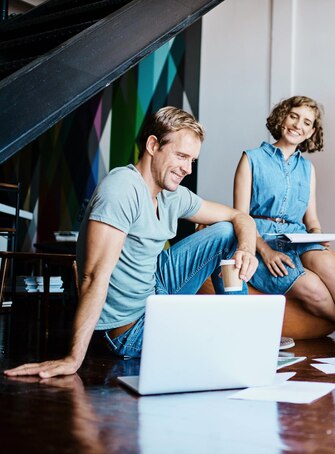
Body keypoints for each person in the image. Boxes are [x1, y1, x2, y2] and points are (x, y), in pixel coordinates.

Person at [4, 106, 259, 378]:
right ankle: (236, 337)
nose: (187, 168)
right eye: (182, 156)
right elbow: (93, 276)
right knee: (213, 338)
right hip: (130, 329)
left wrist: (246, 249)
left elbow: (239, 217)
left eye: (192, 160)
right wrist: (73, 359)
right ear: (153, 145)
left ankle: (239, 329)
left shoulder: (171, 194)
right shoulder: (122, 190)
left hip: (156, 290)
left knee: (226, 232)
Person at [231, 96, 335, 334]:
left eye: (307, 122)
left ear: (311, 133)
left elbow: (311, 220)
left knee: (328, 262)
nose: (298, 125)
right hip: (261, 239)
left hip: (298, 238)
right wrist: (266, 252)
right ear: (282, 118)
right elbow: (241, 218)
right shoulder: (251, 159)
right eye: (294, 116)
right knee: (314, 289)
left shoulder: (307, 169)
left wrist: (317, 236)